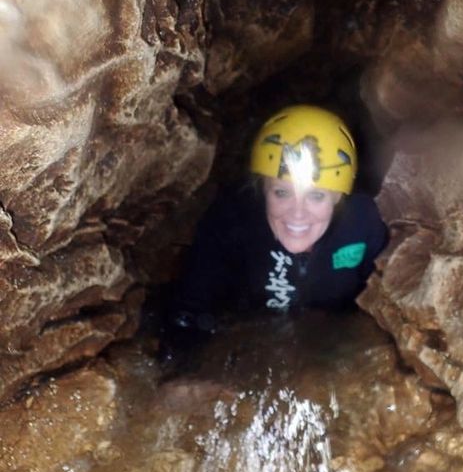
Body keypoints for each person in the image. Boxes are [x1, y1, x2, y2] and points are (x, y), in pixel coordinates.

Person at [160, 104, 388, 366]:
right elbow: (189, 310)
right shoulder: (232, 223)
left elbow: (384, 310)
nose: (298, 214)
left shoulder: (363, 225)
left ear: (338, 196)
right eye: (282, 193)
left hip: (332, 341)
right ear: (263, 188)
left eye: (316, 195)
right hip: (250, 339)